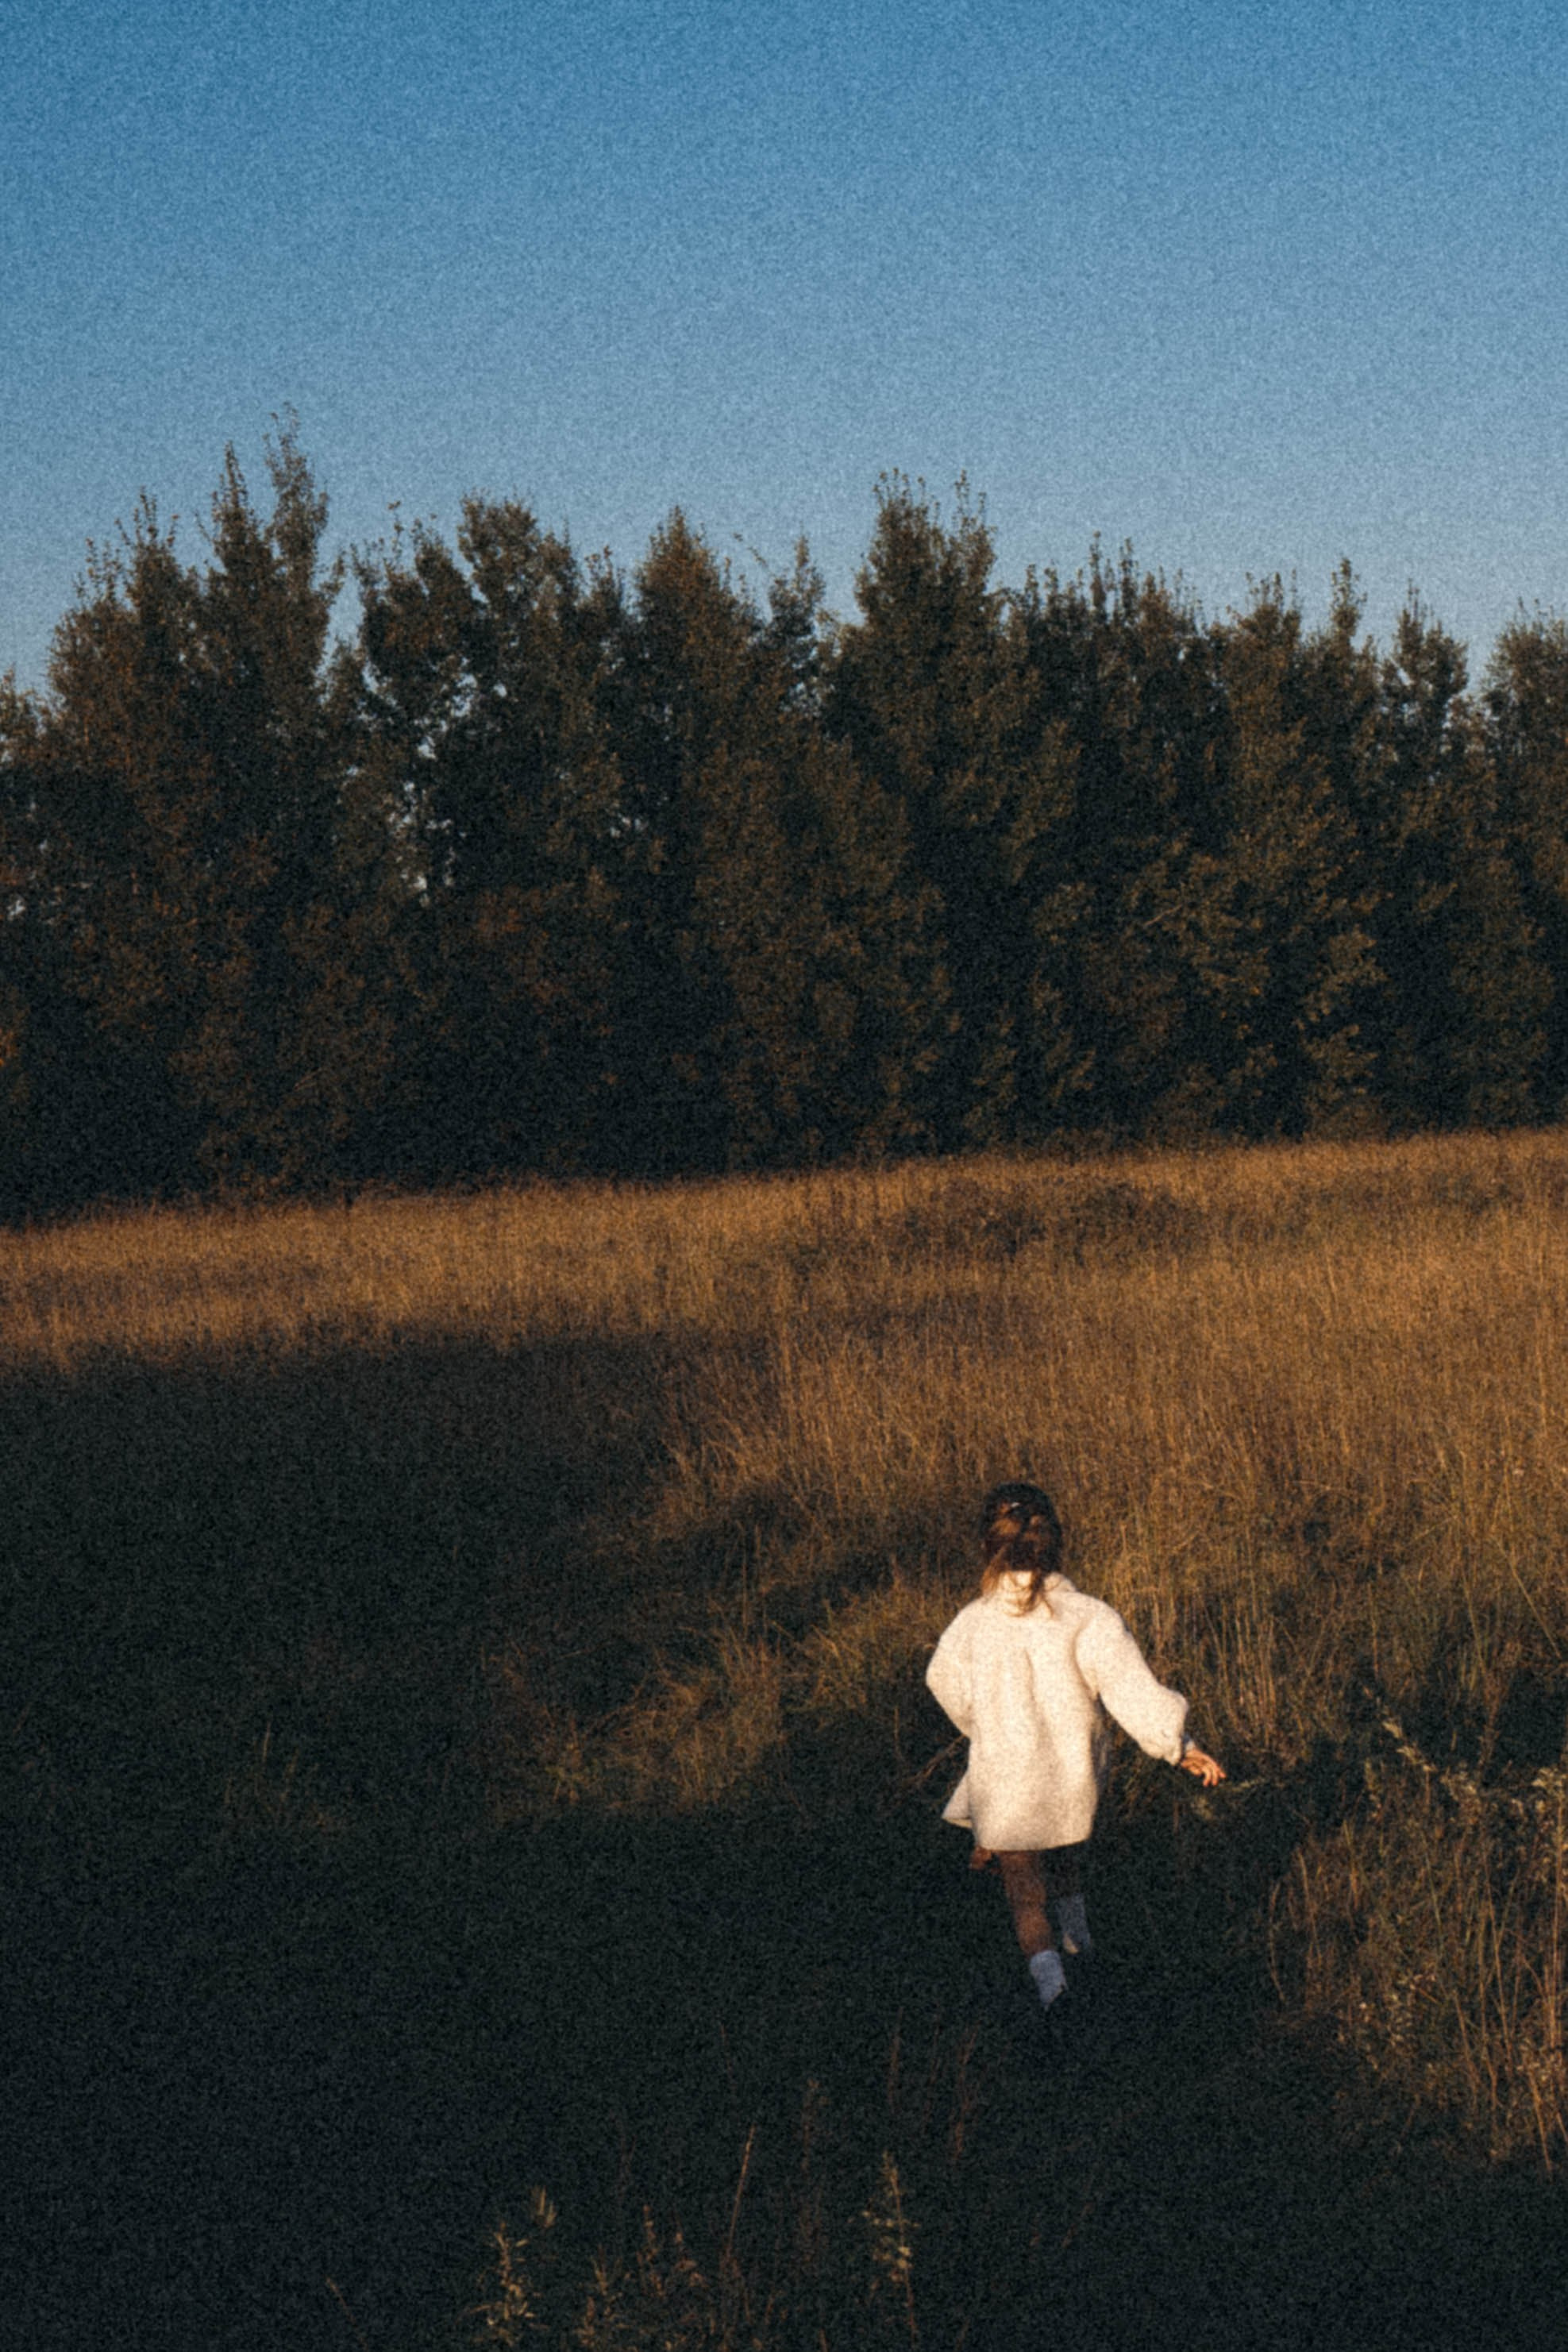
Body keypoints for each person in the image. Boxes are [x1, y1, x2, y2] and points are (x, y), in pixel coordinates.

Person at [926, 1480, 1225, 2014]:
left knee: (1024, 1896)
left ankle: (1054, 1993)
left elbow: (942, 1684)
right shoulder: (1088, 1615)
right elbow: (1129, 1687)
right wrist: (1177, 1745)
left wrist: (985, 1727)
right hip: (1070, 1777)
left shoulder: (972, 1624)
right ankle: (1082, 1949)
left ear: (986, 1548)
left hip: (1006, 1781)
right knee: (1065, 1866)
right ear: (1055, 1542)